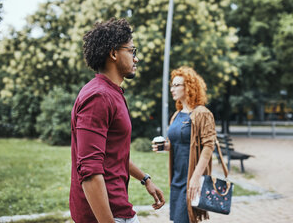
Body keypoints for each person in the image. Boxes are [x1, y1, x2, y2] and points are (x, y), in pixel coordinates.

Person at [70, 18, 165, 223]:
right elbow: (89, 170)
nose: (136, 58)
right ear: (113, 53)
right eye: (132, 51)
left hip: (119, 209)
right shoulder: (98, 97)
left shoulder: (111, 93)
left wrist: (145, 178)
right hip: (107, 215)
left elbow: (113, 153)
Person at [152, 66, 216, 223]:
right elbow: (178, 143)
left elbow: (208, 147)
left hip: (190, 179)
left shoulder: (202, 113)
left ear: (189, 87)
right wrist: (166, 146)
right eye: (171, 85)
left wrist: (195, 177)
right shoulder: (177, 115)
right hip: (176, 179)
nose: (172, 89)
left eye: (176, 85)